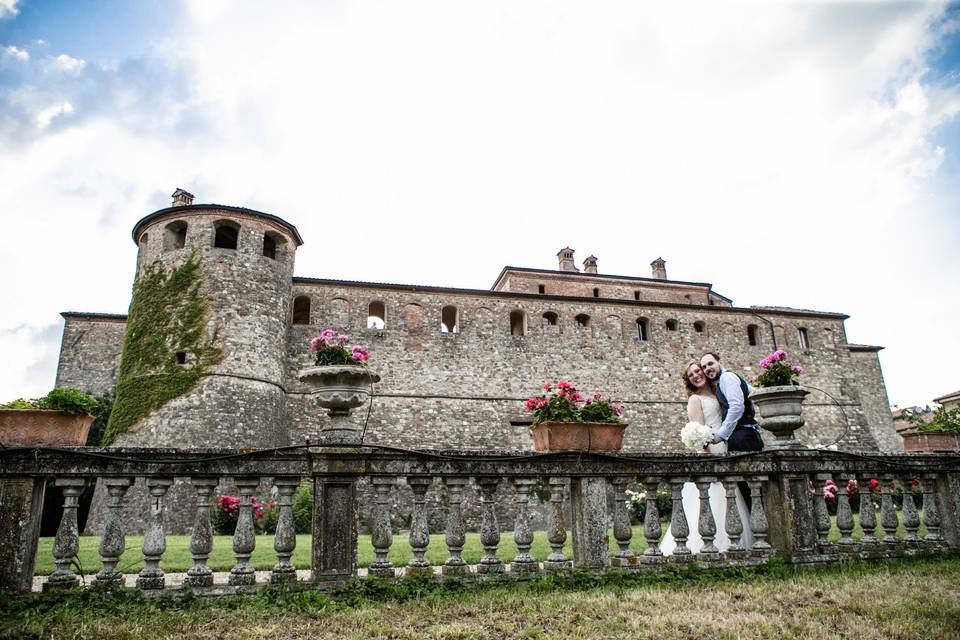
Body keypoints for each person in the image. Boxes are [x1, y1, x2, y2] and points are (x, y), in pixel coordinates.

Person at [660, 362, 753, 555]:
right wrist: (711, 458)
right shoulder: (695, 399)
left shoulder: (716, 390)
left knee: (730, 500)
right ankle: (707, 548)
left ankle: (733, 545)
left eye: (697, 371)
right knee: (711, 500)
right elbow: (699, 431)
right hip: (712, 451)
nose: (696, 375)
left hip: (725, 447)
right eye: (691, 374)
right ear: (689, 380)